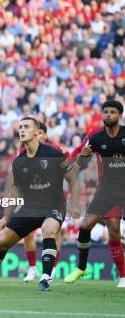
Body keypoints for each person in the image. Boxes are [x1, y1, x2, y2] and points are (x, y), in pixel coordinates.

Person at [0, 116, 82, 292]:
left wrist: (75, 204)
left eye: (26, 127)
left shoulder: (54, 153)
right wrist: (6, 216)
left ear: (37, 132)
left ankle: (45, 278)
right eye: (20, 127)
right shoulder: (19, 161)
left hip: (54, 205)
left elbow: (73, 179)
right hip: (29, 208)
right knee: (1, 243)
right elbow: (16, 191)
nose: (22, 130)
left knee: (48, 230)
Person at [64, 100, 125, 288]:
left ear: (120, 115)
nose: (108, 115)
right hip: (107, 190)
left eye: (112, 112)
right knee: (88, 226)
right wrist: (79, 157)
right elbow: (79, 158)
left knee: (114, 233)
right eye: (105, 111)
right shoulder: (96, 137)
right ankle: (84, 268)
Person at [21, 122, 67, 282]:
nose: (37, 135)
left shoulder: (56, 151)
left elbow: (70, 170)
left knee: (55, 232)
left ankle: (52, 267)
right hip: (32, 198)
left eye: (40, 133)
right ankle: (32, 268)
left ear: (44, 135)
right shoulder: (24, 152)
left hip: (55, 198)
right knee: (26, 232)